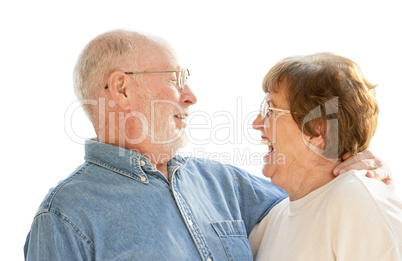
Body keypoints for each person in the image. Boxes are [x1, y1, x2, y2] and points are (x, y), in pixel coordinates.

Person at [24, 31, 389, 260]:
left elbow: (311, 205)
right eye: (175, 78)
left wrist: (351, 159)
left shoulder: (225, 184)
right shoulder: (63, 219)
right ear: (121, 88)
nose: (190, 96)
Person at [249, 53, 402, 260]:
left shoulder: (357, 203)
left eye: (270, 110)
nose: (257, 123)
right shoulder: (272, 221)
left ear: (316, 129)